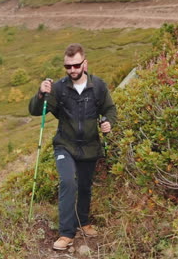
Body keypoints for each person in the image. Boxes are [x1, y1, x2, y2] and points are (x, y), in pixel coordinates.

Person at [28, 43, 117, 250]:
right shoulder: (58, 88)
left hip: (90, 146)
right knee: (68, 182)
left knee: (85, 186)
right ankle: (66, 234)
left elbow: (110, 109)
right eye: (68, 67)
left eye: (76, 65)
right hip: (65, 145)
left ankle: (83, 222)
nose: (72, 70)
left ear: (84, 63)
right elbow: (35, 111)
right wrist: (41, 94)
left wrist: (108, 122)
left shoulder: (99, 86)